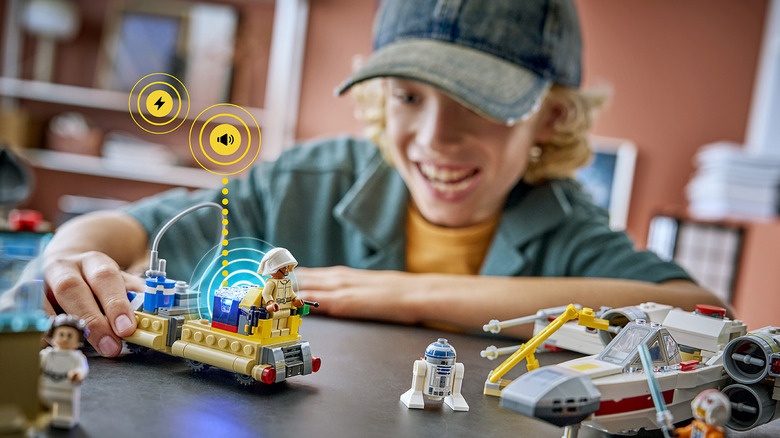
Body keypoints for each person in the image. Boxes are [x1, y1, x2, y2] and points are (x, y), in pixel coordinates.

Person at [42, 0, 724, 357]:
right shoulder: (311, 179)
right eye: (408, 97)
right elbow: (134, 230)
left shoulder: (563, 224)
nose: (434, 141)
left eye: (480, 105)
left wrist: (409, 293)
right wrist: (71, 255)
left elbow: (702, 312)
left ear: (551, 118)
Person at [39, 314, 89, 428]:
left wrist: (78, 374)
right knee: (45, 404)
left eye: (70, 335)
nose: (65, 338)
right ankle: (46, 416)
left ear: (78, 340)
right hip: (46, 386)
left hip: (67, 387)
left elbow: (82, 368)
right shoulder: (47, 354)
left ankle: (65, 417)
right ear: (53, 336)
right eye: (61, 334)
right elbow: (37, 364)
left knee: (65, 405)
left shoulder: (76, 357)